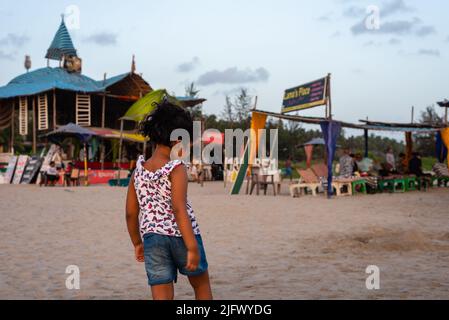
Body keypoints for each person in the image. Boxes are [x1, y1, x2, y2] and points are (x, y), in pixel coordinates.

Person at [125, 100, 212, 300]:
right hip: (182, 236)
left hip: (152, 238)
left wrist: (137, 242)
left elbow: (130, 213)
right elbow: (178, 208)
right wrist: (191, 246)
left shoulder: (137, 172)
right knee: (201, 285)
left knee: (161, 293)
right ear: (176, 140)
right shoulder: (176, 168)